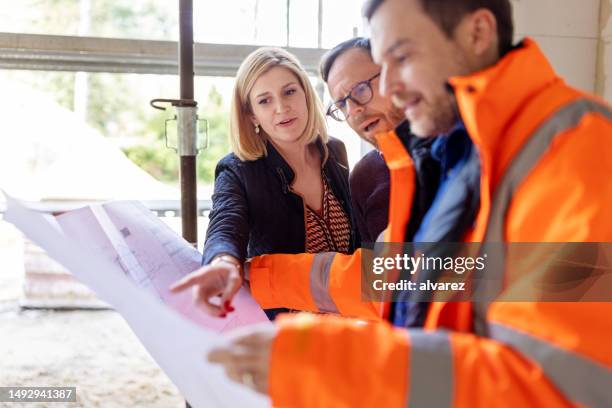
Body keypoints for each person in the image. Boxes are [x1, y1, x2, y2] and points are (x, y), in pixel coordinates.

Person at [193, 0, 612, 406]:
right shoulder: (456, 157)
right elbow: (403, 280)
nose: (389, 88)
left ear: (477, 33)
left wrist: (326, 360)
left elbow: (557, 388)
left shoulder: (581, 149)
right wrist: (259, 275)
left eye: (402, 57)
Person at [179, 47, 358, 320]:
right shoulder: (238, 169)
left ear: (306, 94)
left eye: (289, 92)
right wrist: (223, 261)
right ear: (251, 116)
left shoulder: (334, 152)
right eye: (264, 101)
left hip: (352, 320)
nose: (281, 107)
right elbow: (225, 224)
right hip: (284, 330)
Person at [321, 37, 439, 243]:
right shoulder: (362, 177)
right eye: (341, 105)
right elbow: (370, 269)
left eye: (360, 89)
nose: (353, 110)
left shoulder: (456, 148)